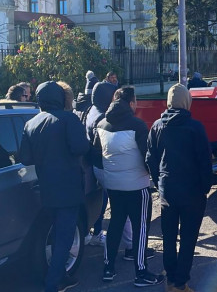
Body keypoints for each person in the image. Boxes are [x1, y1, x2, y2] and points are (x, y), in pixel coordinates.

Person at [17, 81, 90, 292]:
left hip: (46, 188)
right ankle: (53, 283)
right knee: (64, 237)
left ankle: (61, 275)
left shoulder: (31, 123)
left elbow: (25, 158)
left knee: (57, 235)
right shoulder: (68, 119)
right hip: (68, 187)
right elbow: (81, 147)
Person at [95, 87, 164, 287]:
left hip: (113, 184)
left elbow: (96, 154)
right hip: (137, 185)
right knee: (141, 227)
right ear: (131, 103)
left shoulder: (101, 124)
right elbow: (148, 156)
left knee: (116, 223)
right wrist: (156, 178)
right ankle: (141, 271)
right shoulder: (138, 126)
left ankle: (108, 267)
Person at [146, 84, 212, 292]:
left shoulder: (157, 126)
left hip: (168, 189)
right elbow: (205, 161)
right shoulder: (195, 127)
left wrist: (159, 182)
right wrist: (205, 187)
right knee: (188, 237)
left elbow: (151, 158)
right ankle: (181, 282)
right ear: (187, 102)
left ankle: (171, 277)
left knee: (168, 235)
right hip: (192, 191)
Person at [84, 81, 119, 247]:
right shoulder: (101, 117)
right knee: (112, 202)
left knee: (101, 200)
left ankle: (95, 231)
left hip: (94, 163)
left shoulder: (92, 109)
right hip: (101, 164)